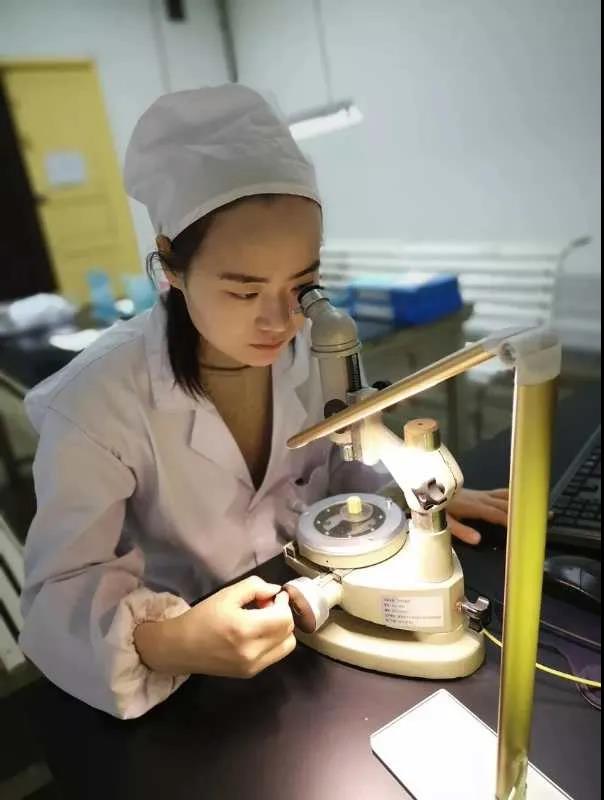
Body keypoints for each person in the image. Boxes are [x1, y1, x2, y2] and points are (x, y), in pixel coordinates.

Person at [19, 85, 509, 719]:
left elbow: (345, 470)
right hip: (184, 689)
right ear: (170, 265)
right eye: (244, 291)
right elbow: (54, 598)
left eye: (303, 284)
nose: (281, 322)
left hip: (310, 631)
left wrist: (412, 498)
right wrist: (170, 641)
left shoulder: (314, 352)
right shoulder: (96, 405)